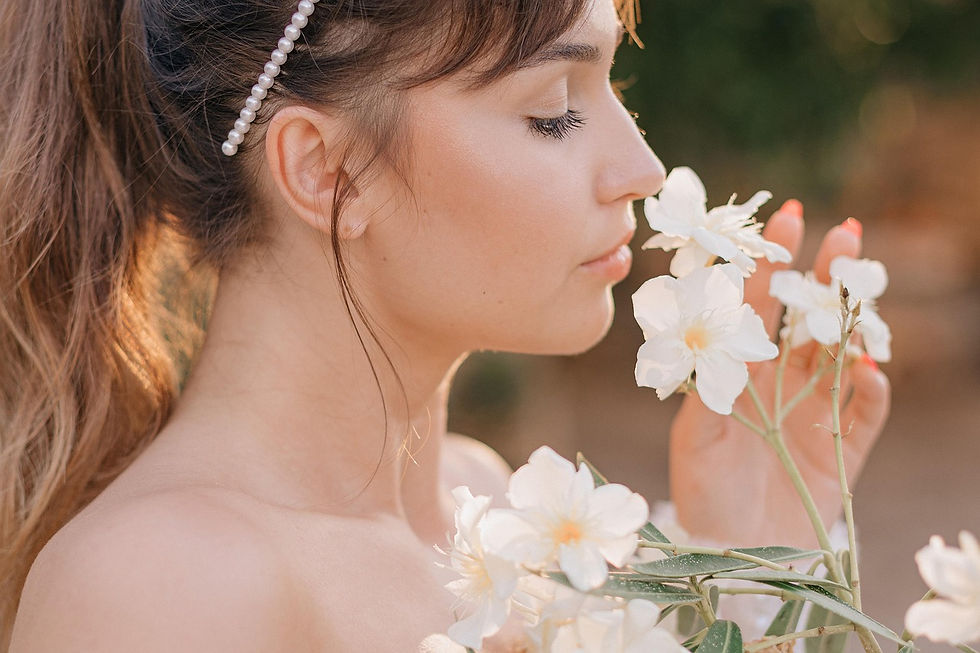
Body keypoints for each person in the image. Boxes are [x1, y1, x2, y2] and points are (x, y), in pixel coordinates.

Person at [0, 0, 890, 650]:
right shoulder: (161, 590)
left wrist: (749, 564)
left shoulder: (499, 510)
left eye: (613, 82)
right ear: (327, 171)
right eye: (556, 111)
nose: (644, 167)